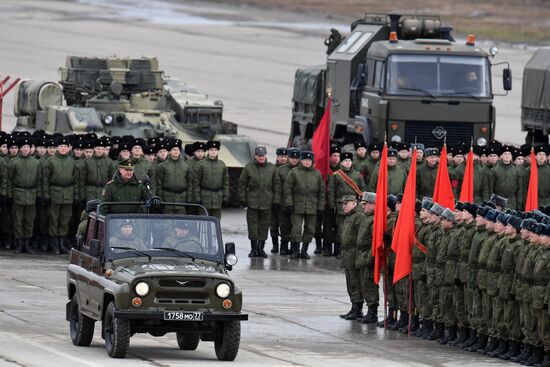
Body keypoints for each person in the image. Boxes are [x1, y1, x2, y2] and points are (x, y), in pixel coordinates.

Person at [238, 146, 280, 258]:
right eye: (259, 156)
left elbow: (276, 186)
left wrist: (276, 201)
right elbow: (242, 184)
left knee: (264, 226)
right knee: (252, 226)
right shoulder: (248, 168)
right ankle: (253, 248)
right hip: (253, 201)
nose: (261, 157)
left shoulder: (272, 168)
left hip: (267, 201)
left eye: (263, 155)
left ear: (266, 155)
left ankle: (261, 248)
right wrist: (243, 198)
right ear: (255, 156)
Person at [284, 151, 325, 259]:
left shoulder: (317, 174)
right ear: (301, 161)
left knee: (310, 229)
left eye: (309, 160)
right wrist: (289, 202)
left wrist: (321, 206)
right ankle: (296, 250)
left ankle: (304, 250)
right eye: (305, 160)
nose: (307, 162)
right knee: (296, 228)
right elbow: (287, 189)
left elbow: (321, 192)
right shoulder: (294, 172)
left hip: (312, 205)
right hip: (297, 205)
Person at [42, 137, 78, 254]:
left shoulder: (72, 162)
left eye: (65, 146)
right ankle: (54, 243)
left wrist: (76, 196)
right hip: (55, 193)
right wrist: (46, 195)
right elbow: (45, 180)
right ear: (57, 148)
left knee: (65, 219)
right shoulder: (50, 161)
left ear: (68, 148)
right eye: (61, 146)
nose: (63, 148)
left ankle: (62, 242)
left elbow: (76, 180)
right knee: (54, 219)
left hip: (68, 193)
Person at [7, 138, 40, 254]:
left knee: (29, 220)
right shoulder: (13, 162)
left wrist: (39, 195)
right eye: (23, 147)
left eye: (27, 147)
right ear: (20, 149)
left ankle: (27, 242)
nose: (25, 149)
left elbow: (39, 180)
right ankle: (19, 243)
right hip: (18, 194)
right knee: (18, 219)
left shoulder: (36, 162)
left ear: (30, 149)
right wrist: (9, 195)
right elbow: (9, 180)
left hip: (31, 194)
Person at [339, 194, 366, 321]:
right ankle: (354, 307)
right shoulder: (350, 217)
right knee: (350, 282)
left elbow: (361, 236)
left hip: (354, 253)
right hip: (348, 254)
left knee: (356, 282)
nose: (343, 206)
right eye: (343, 204)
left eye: (346, 203)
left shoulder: (359, 216)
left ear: (354, 204)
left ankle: (358, 308)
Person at [193, 140, 230, 220]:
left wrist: (226, 196)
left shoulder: (222, 165)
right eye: (211, 150)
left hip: (217, 198)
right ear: (208, 151)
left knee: (216, 221)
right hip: (204, 197)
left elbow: (225, 182)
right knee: (204, 222)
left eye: (215, 150)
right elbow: (196, 183)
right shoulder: (201, 165)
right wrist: (197, 198)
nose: (213, 152)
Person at [155, 140, 192, 214]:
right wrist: (160, 198)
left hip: (181, 199)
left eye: (178, 149)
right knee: (168, 222)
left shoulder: (186, 166)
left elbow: (190, 183)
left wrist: (189, 198)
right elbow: (159, 184)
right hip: (167, 199)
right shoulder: (163, 166)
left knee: (180, 223)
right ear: (169, 151)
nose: (176, 151)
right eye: (174, 149)